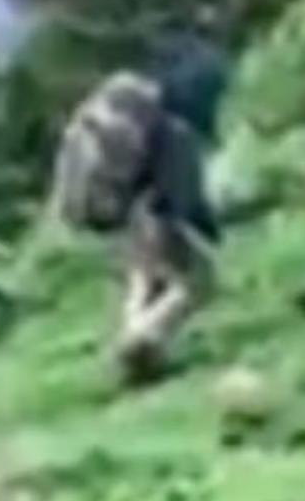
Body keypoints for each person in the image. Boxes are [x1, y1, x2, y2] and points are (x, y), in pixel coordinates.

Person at [48, 39, 227, 385]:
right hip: (118, 199)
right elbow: (179, 201)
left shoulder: (125, 92)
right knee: (199, 280)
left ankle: (134, 335)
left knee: (145, 270)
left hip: (82, 198)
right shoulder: (175, 129)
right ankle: (144, 338)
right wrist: (208, 228)